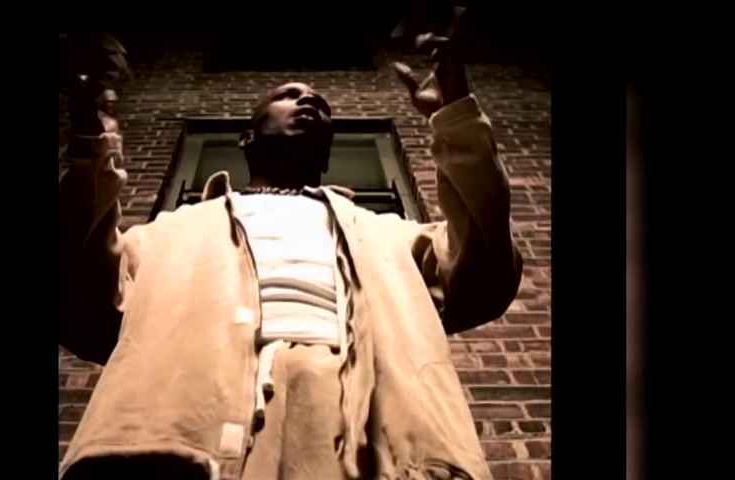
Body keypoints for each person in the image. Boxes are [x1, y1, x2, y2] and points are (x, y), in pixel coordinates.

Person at [58, 23, 522, 480]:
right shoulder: (169, 233)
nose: (309, 102)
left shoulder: (389, 236)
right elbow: (77, 288)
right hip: (189, 429)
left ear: (326, 154)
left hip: (366, 433)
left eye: (320, 104)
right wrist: (89, 140)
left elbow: (485, 266)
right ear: (247, 137)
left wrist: (457, 118)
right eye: (289, 95)